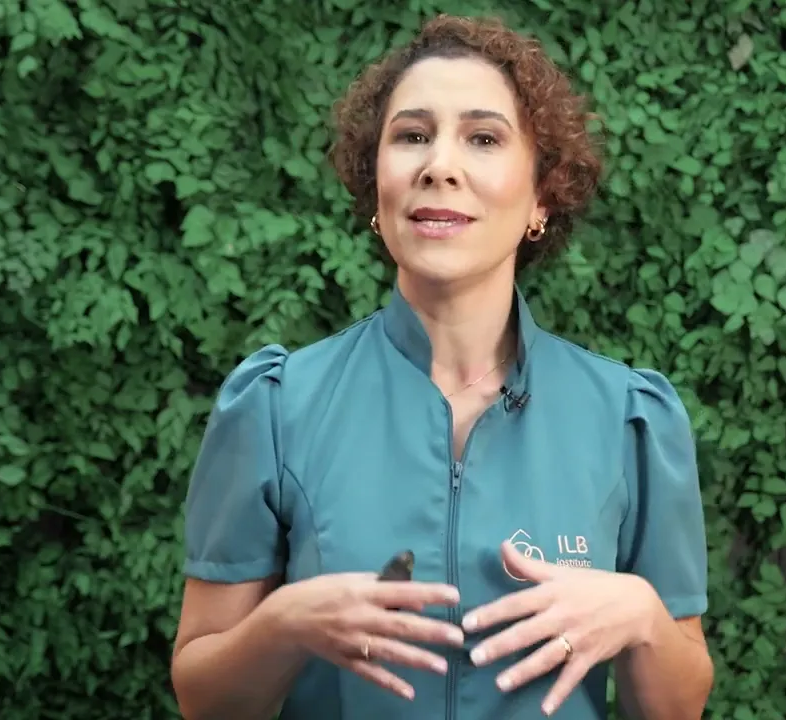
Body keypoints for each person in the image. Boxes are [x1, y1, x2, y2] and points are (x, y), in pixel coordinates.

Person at [170, 13, 713, 720]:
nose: (439, 166)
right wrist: (284, 623)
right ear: (376, 185)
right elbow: (205, 700)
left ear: (542, 195)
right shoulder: (276, 407)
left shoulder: (630, 419)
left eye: (483, 138)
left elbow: (676, 708)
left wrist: (641, 615)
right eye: (412, 136)